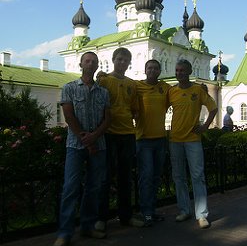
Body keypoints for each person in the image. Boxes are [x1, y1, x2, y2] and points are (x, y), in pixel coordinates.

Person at [53, 51, 110, 246]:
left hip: (99, 146)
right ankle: (64, 233)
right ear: (81, 64)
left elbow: (107, 119)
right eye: (87, 60)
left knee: (94, 187)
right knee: (70, 187)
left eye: (94, 61)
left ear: (97, 66)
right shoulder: (69, 88)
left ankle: (88, 226)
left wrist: (94, 137)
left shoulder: (103, 92)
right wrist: (87, 139)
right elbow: (68, 116)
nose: (91, 64)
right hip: (75, 146)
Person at [97, 47, 144, 231]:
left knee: (126, 178)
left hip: (127, 135)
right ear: (113, 60)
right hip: (108, 134)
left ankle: (126, 216)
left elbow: (135, 110)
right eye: (119, 59)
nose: (122, 62)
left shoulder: (132, 84)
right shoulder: (104, 80)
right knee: (105, 177)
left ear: (129, 63)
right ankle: (102, 218)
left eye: (125, 60)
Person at [168, 59, 217, 229]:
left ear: (189, 72)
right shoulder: (171, 91)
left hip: (193, 140)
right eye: (177, 70)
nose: (179, 73)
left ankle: (202, 215)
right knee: (179, 177)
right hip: (175, 140)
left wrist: (204, 126)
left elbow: (213, 108)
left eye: (182, 70)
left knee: (197, 176)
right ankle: (184, 210)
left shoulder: (198, 90)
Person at [135, 59, 171, 226]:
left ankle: (152, 210)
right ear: (145, 70)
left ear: (159, 71)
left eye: (156, 68)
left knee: (156, 177)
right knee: (147, 176)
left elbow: (179, 93)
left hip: (160, 139)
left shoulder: (165, 87)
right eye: (149, 67)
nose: (152, 70)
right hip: (144, 140)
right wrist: (104, 76)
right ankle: (146, 212)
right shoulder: (137, 86)